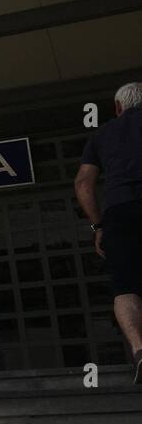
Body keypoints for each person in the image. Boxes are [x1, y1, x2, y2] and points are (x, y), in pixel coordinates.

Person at [75, 82, 142, 385]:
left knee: (125, 287)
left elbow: (83, 183)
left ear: (118, 107)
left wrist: (97, 225)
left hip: (119, 211)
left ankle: (140, 351)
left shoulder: (101, 134)